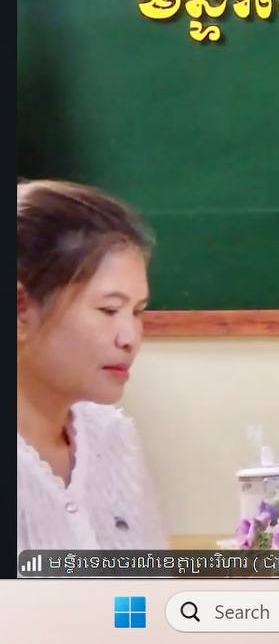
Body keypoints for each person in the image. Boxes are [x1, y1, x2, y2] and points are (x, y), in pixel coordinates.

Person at [17, 180, 166, 551]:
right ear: (20, 310)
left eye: (138, 312)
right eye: (109, 310)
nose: (130, 337)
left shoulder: (112, 436)